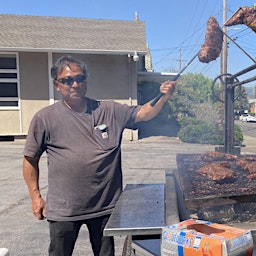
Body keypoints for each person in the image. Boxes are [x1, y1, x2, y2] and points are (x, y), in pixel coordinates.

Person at [22, 55, 177, 256]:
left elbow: (144, 113)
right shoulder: (45, 117)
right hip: (64, 210)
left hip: (104, 208)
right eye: (67, 80)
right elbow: (30, 160)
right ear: (57, 85)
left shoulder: (109, 110)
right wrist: (35, 197)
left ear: (86, 80)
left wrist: (163, 96)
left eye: (80, 78)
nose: (75, 84)